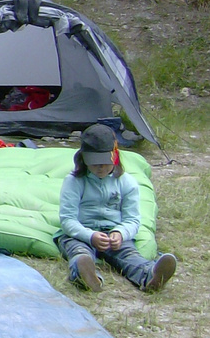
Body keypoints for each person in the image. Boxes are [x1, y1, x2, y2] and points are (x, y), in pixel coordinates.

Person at [58, 123, 176, 293]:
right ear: (83, 159)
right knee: (79, 252)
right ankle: (86, 275)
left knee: (129, 255)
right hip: (81, 233)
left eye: (105, 162)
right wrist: (90, 236)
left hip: (113, 234)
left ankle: (150, 275)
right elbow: (68, 219)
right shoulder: (74, 181)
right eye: (95, 163)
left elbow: (133, 219)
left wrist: (120, 233)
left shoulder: (126, 182)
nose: (101, 168)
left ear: (115, 158)